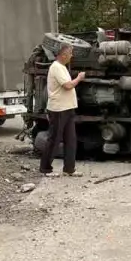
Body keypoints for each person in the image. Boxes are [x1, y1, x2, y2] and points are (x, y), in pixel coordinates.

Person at [40, 43, 85, 177]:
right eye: (70, 53)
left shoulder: (62, 67)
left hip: (68, 108)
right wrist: (79, 78)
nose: (72, 56)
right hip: (58, 109)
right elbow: (67, 85)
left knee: (71, 139)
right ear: (63, 55)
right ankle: (45, 168)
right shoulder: (56, 68)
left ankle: (69, 168)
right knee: (54, 139)